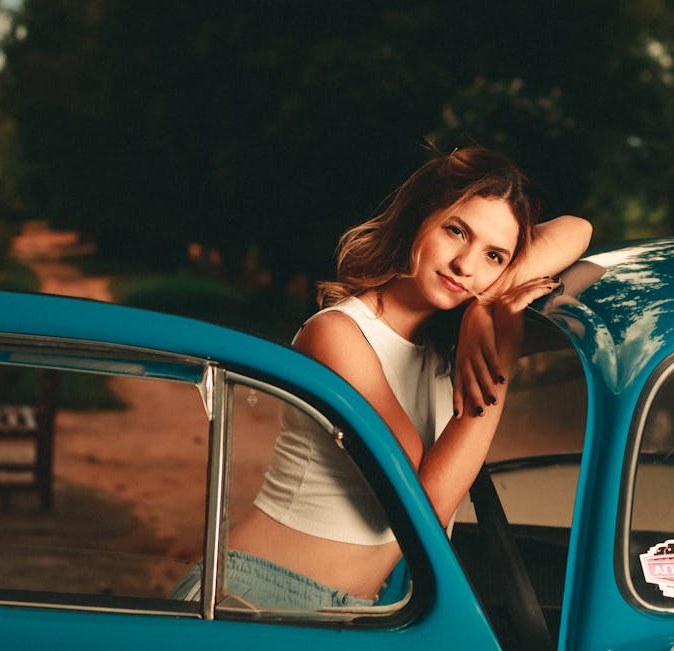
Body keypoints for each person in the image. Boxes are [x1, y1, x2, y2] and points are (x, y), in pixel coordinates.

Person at [174, 146, 592, 611]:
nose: (465, 265)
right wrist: (501, 363)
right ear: (419, 218)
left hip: (357, 611)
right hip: (254, 597)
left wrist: (485, 303)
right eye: (456, 231)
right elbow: (423, 506)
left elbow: (579, 231)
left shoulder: (443, 344)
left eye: (494, 256)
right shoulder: (339, 334)